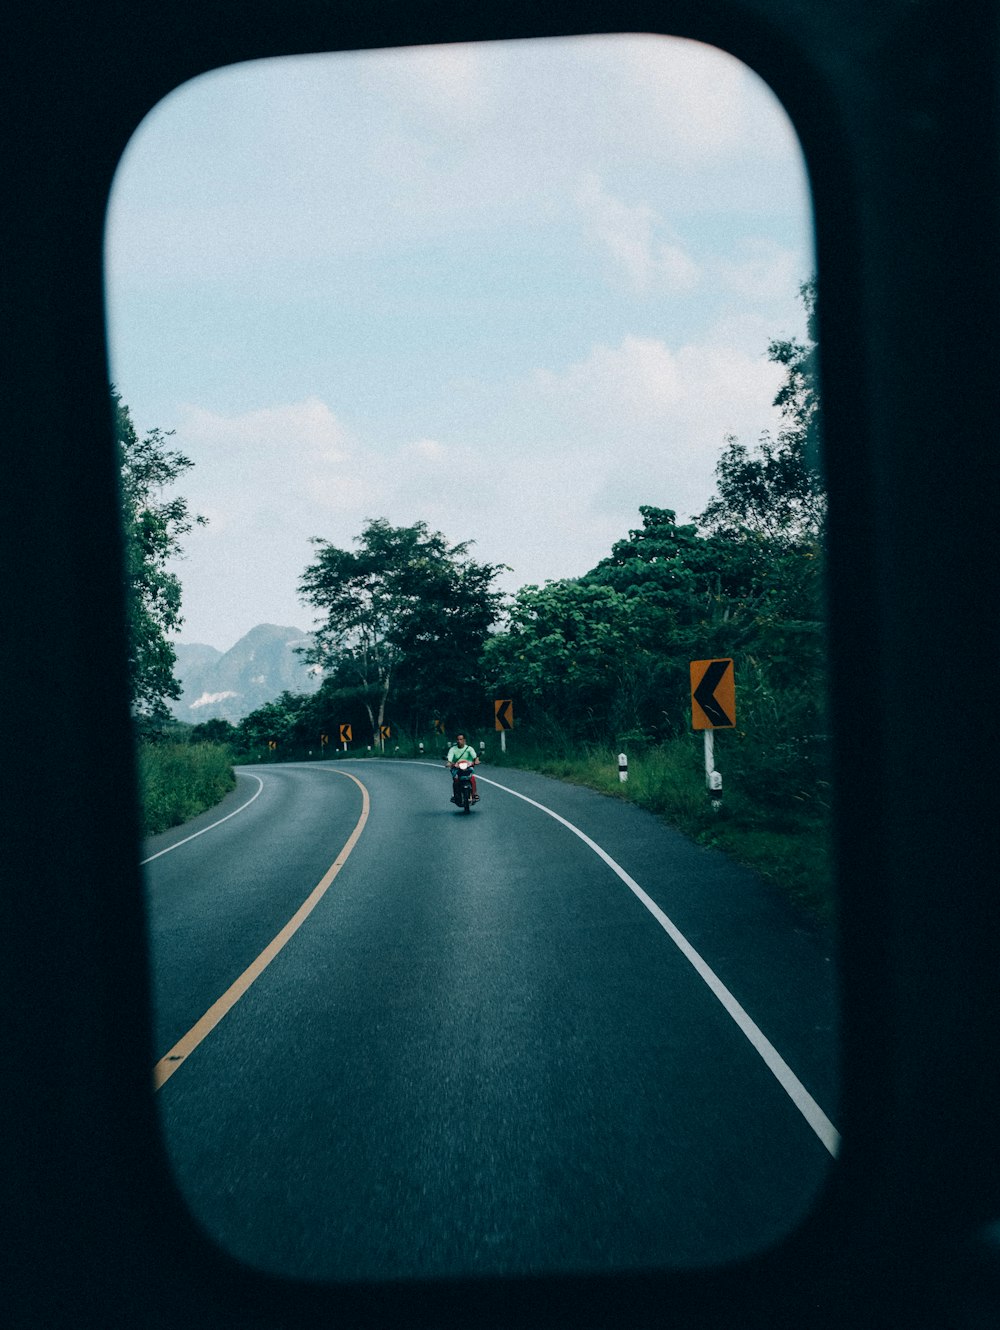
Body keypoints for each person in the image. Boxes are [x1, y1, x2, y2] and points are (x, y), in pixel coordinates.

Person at [446, 732, 480, 803]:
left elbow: (475, 756)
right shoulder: (453, 749)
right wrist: (449, 763)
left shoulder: (469, 748)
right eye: (458, 739)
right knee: (455, 779)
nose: (459, 741)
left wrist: (476, 760)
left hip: (468, 767)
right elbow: (450, 758)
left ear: (464, 740)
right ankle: (455, 795)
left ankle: (474, 794)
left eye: (461, 739)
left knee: (472, 778)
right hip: (456, 767)